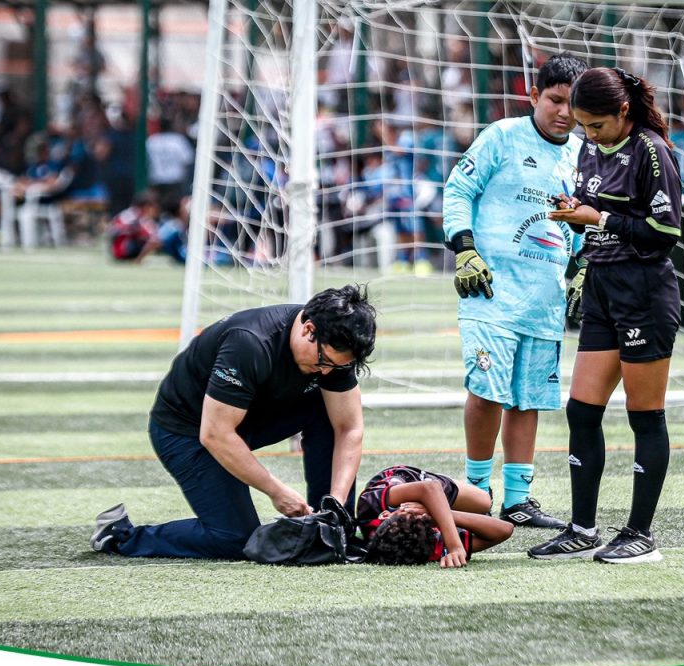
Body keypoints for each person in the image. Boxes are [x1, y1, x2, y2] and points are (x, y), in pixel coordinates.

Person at [90, 286, 377, 559]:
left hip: (254, 414)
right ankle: (120, 535)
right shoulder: (249, 343)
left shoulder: (335, 349)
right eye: (323, 361)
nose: (326, 372)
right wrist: (277, 491)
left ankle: (327, 525)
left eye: (336, 366)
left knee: (329, 410)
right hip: (187, 429)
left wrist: (336, 503)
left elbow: (349, 428)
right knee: (236, 538)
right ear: (308, 329)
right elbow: (215, 434)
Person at [528, 66, 683, 563]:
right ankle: (582, 529)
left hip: (643, 292)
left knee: (645, 416)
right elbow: (593, 213)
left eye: (596, 125)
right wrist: (575, 211)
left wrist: (599, 218)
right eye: (583, 126)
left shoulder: (651, 151)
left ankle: (640, 534)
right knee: (581, 410)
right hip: (601, 286)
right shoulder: (591, 148)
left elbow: (665, 231)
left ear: (623, 110)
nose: (588, 135)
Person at [442, 53, 588, 530]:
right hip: (490, 293)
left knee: (529, 399)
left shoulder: (581, 155)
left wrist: (584, 267)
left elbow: (582, 223)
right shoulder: (502, 136)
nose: (564, 112)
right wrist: (464, 248)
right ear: (534, 96)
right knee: (486, 392)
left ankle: (519, 499)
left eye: (573, 104)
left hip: (545, 300)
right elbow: (458, 191)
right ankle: (476, 492)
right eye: (555, 100)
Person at [357, 465, 513, 567]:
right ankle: (448, 509)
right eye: (423, 519)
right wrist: (439, 515)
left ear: (385, 515)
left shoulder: (370, 505)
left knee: (484, 501)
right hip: (431, 498)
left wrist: (455, 546)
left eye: (407, 512)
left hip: (412, 479)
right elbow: (505, 529)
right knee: (483, 505)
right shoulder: (427, 546)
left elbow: (430, 487)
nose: (418, 513)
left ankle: (448, 495)